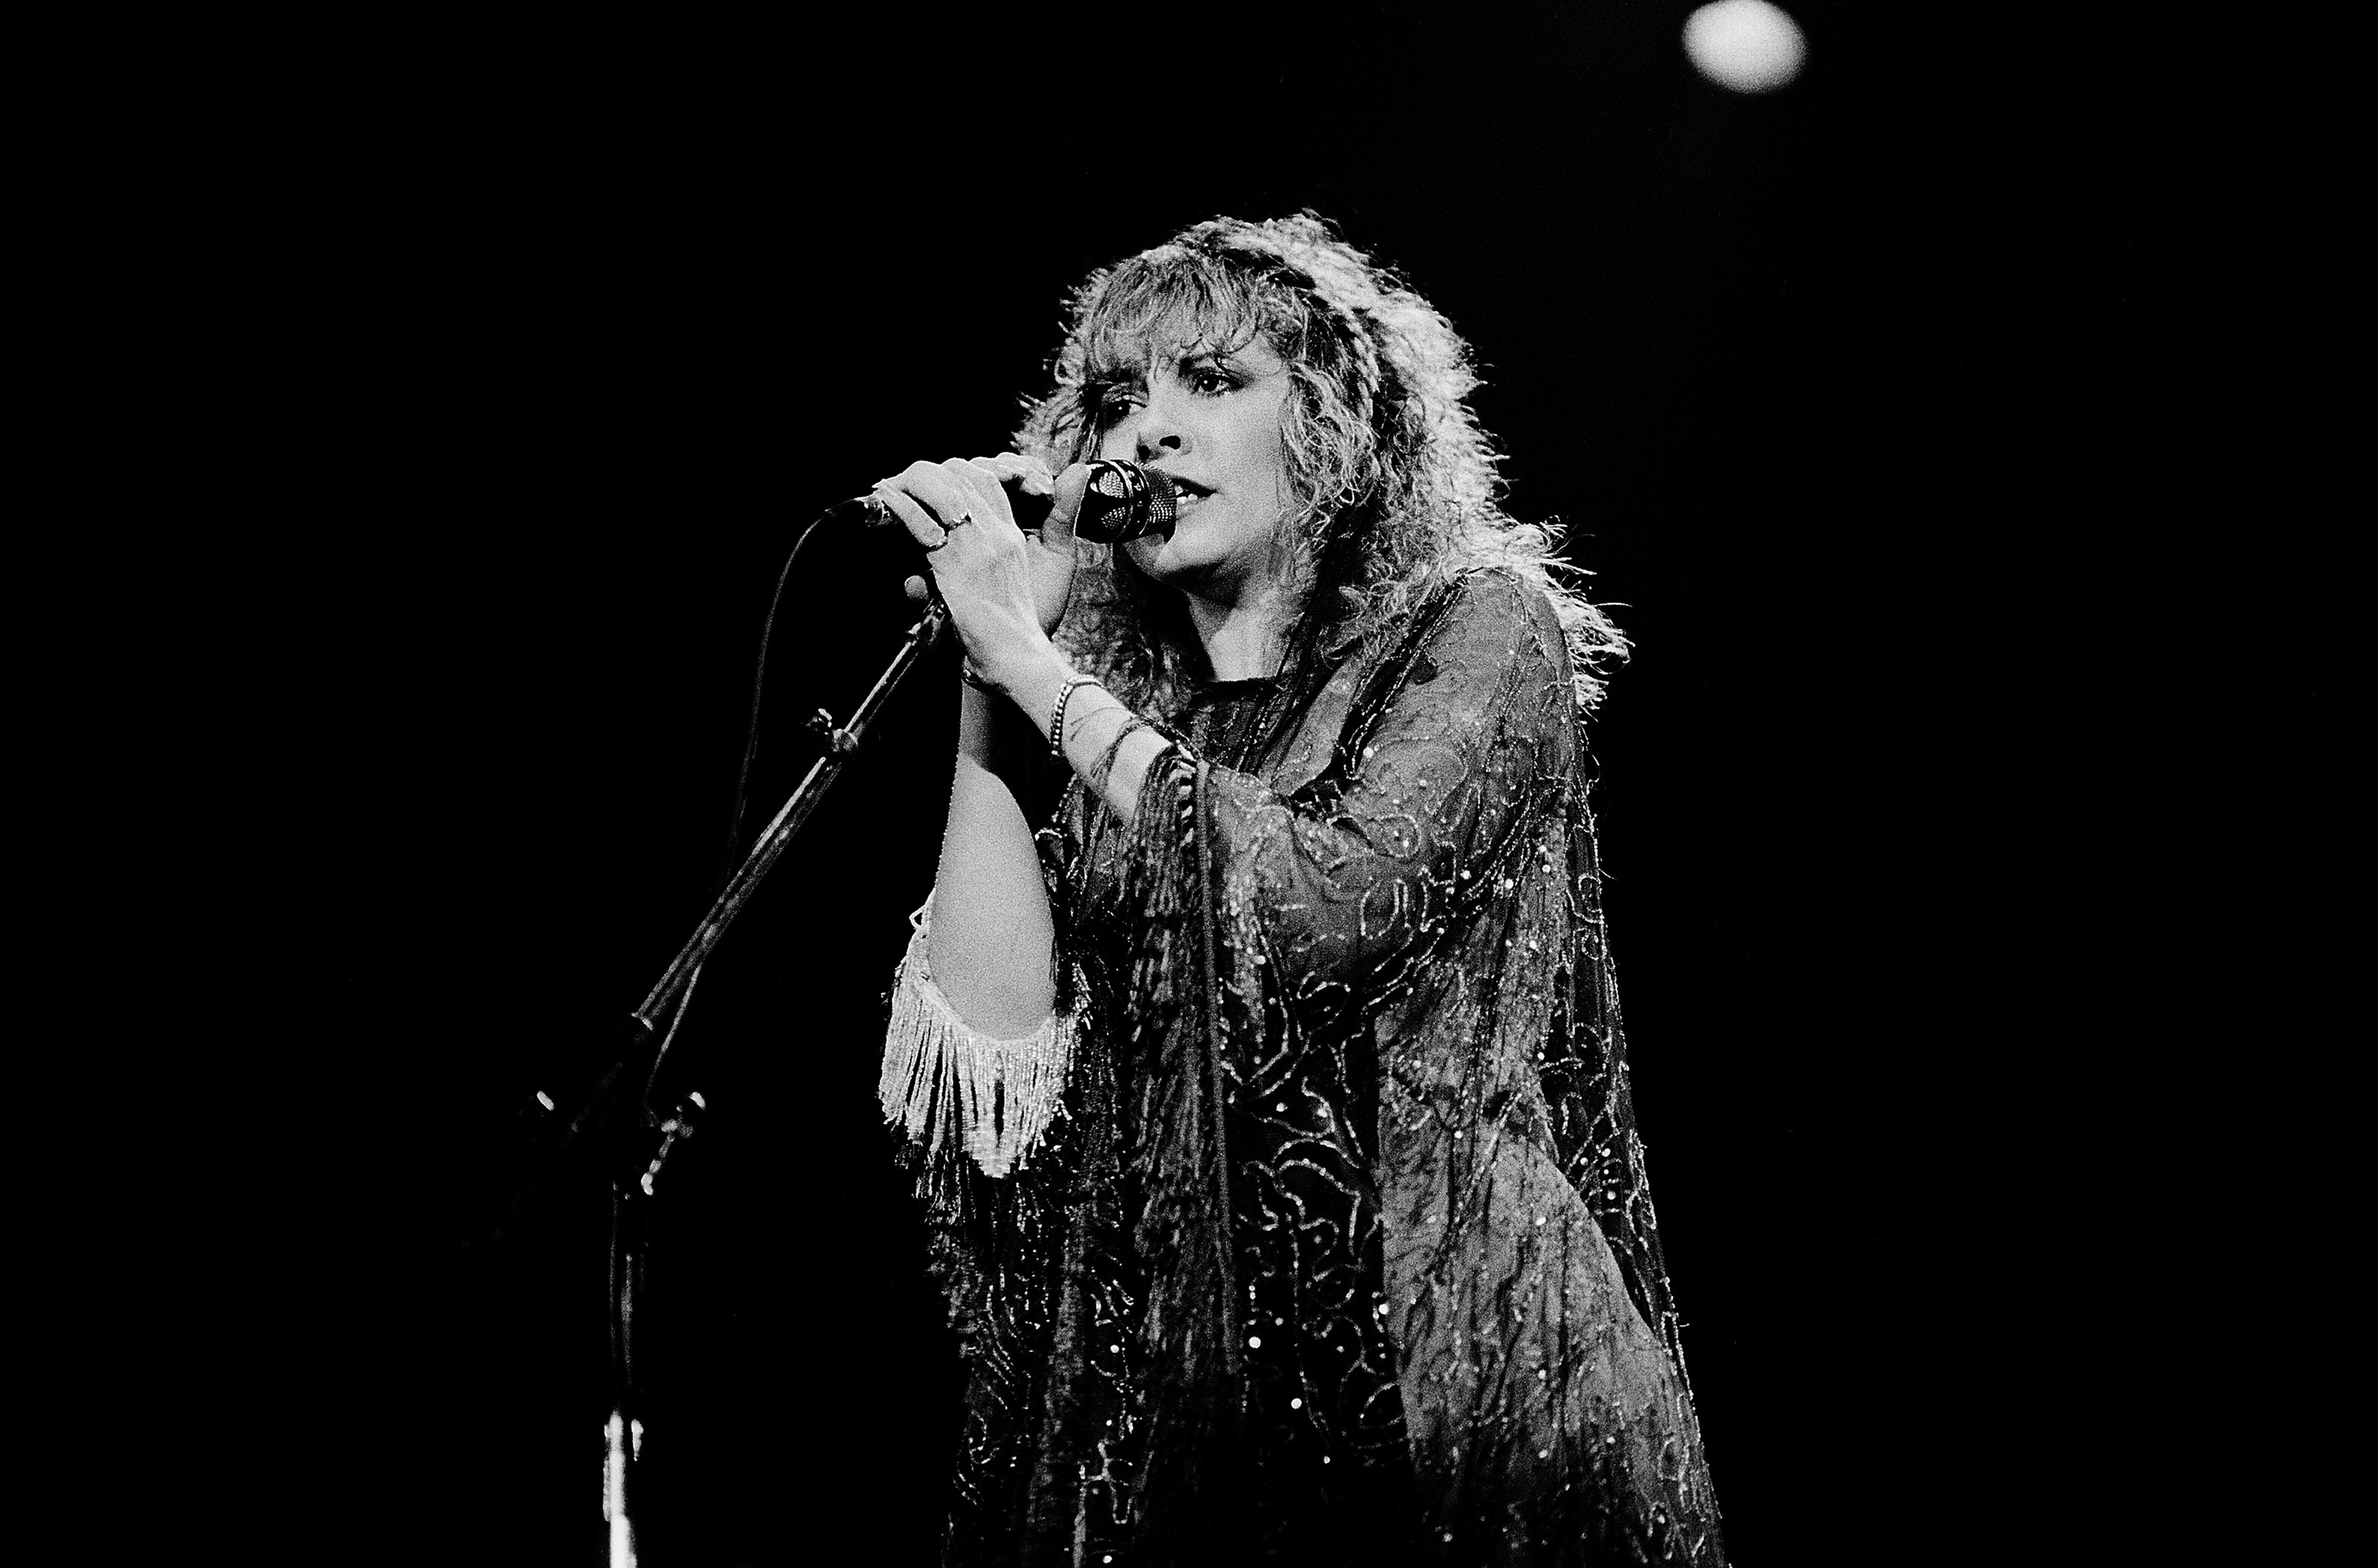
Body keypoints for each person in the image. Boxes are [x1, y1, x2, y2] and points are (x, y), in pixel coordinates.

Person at [870, 214, 1725, 1566]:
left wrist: (1042, 679)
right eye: (1115, 400)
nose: (1142, 432)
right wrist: (995, 675)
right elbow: (998, 1064)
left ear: (1332, 423)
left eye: (1210, 382)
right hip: (1185, 1438)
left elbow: (1323, 902)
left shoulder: (1481, 632)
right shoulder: (1120, 730)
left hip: (1459, 1405)